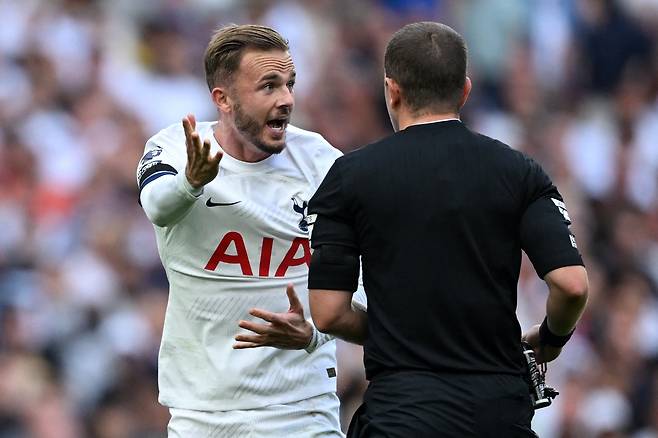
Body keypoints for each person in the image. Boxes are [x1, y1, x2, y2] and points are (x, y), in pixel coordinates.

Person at [307, 22, 589, 437]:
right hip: (498, 415)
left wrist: (400, 330)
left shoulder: (349, 177)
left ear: (392, 90)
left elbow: (328, 312)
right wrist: (550, 339)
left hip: (401, 415)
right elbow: (572, 285)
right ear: (465, 90)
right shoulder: (519, 172)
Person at [137, 24, 364, 437]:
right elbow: (157, 207)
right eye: (269, 86)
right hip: (201, 413)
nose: (287, 100)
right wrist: (191, 182)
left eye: (290, 84)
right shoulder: (176, 147)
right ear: (223, 99)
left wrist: (314, 336)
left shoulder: (322, 163)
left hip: (301, 409)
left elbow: (364, 284)